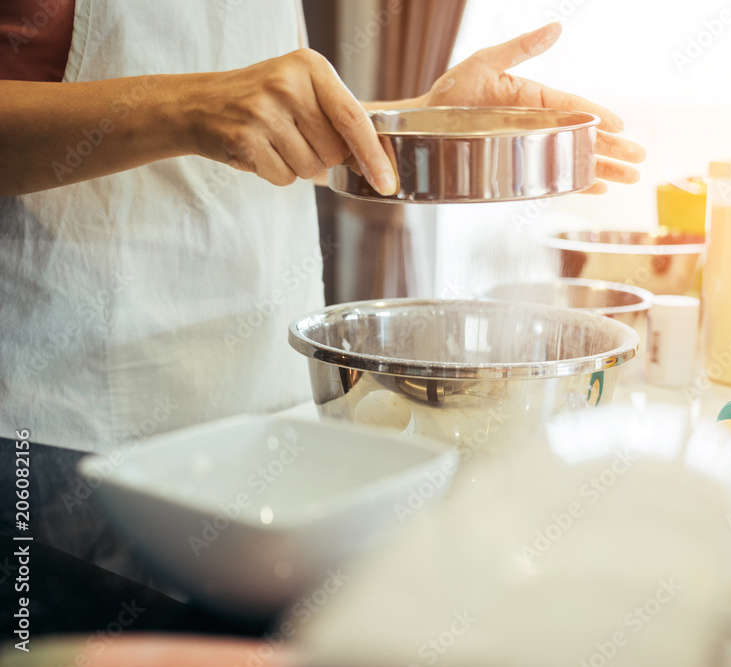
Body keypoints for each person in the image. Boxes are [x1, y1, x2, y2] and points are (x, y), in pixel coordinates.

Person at [0, 1, 645, 453]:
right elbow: (215, 99)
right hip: (68, 421)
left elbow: (267, 119)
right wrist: (190, 107)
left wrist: (417, 123)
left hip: (273, 398)